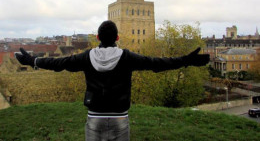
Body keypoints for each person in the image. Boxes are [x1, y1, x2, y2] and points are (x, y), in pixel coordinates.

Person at [15, 20, 209, 141]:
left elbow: (59, 64)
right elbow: (156, 63)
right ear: (117, 37)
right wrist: (186, 60)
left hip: (94, 117)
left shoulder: (86, 57)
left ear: (98, 37)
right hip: (119, 117)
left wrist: (33, 61)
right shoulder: (127, 57)